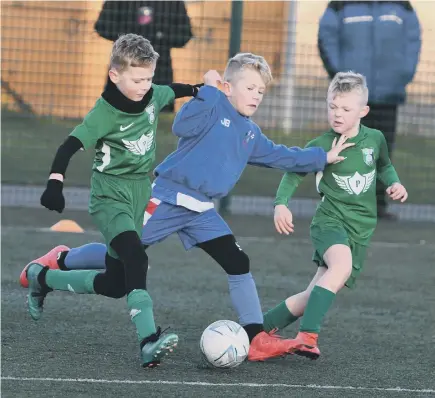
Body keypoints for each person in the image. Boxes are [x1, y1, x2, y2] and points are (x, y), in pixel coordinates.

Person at [21, 53, 352, 363]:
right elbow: (182, 126)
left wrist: (322, 157)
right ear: (227, 86)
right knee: (119, 260)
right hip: (167, 198)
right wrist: (207, 92)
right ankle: (61, 260)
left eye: (261, 91)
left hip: (201, 210)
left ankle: (255, 337)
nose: (255, 95)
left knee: (238, 261)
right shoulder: (211, 106)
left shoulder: (251, 133)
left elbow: (284, 155)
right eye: (249, 87)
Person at [24, 33, 202, 369]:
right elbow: (68, 147)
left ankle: (42, 278)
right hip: (110, 197)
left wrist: (196, 90)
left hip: (138, 195)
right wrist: (54, 184)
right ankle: (149, 341)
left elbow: (171, 90)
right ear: (114, 75)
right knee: (136, 257)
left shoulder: (151, 95)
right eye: (137, 80)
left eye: (148, 78)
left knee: (115, 284)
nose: (144, 85)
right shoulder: (104, 113)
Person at [263, 71, 408, 359]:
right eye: (332, 107)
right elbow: (294, 173)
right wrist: (281, 203)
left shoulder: (375, 139)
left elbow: (384, 165)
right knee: (340, 267)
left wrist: (394, 183)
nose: (337, 114)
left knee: (312, 294)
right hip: (330, 221)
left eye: (345, 109)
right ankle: (307, 336)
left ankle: (258, 331)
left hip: (360, 228)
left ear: (363, 111)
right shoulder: (321, 144)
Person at [318, 1, 420, 219]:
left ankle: (376, 205)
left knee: (381, 151)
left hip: (387, 94)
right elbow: (327, 38)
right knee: (346, 150)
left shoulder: (402, 7)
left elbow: (412, 41)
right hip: (351, 98)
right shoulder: (340, 5)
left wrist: (402, 75)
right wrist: (341, 77)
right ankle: (342, 205)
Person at [95, 0, 192, 111]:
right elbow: (102, 26)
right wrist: (129, 38)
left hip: (158, 72)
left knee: (158, 117)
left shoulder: (172, 3)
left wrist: (159, 37)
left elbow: (184, 35)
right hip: (126, 69)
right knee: (117, 114)